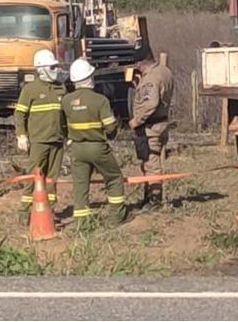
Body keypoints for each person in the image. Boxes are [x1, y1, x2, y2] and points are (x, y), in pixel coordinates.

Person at [62, 58, 129, 228]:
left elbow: (61, 124)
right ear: (90, 77)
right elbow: (110, 126)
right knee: (114, 178)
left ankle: (82, 224)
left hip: (76, 149)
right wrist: (110, 135)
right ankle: (117, 217)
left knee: (80, 185)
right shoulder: (100, 100)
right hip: (97, 147)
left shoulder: (66, 101)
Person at [15, 49, 67, 222]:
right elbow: (20, 114)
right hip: (39, 141)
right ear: (41, 68)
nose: (55, 70)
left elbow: (66, 115)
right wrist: (21, 135)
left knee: (52, 179)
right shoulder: (30, 90)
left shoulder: (61, 88)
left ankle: (49, 212)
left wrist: (70, 135)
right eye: (51, 67)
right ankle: (25, 212)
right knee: (33, 177)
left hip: (57, 140)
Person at [128, 49, 175, 210]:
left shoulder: (151, 78)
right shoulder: (164, 71)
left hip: (151, 127)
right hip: (162, 123)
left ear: (140, 63)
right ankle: (149, 197)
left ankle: (155, 200)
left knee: (151, 163)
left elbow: (150, 103)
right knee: (152, 161)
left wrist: (137, 120)